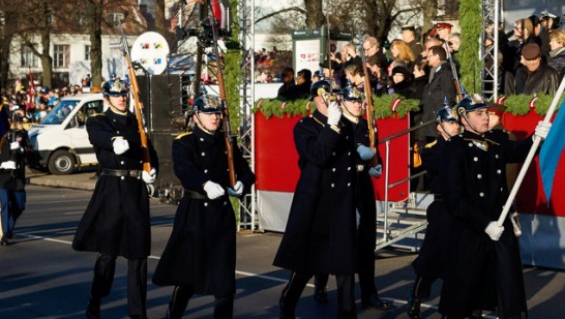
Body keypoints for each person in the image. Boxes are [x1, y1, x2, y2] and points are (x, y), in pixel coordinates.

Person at [438, 94, 550, 319]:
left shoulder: (496, 140)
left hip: (500, 221)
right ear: (464, 118)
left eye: (486, 113)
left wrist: (536, 138)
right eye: (479, 114)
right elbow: (454, 199)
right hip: (472, 227)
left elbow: (518, 151)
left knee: (508, 285)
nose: (486, 118)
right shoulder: (456, 149)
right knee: (465, 289)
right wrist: (484, 224)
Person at [152, 95, 255, 319]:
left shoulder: (227, 142)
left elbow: (247, 172)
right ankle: (174, 313)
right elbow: (183, 170)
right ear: (197, 116)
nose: (215, 117)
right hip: (194, 213)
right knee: (188, 274)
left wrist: (241, 184)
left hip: (220, 214)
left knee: (224, 281)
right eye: (209, 113)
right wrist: (204, 183)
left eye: (217, 113)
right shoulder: (184, 142)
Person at [72, 77, 159, 319]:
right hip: (111, 190)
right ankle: (96, 298)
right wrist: (113, 141)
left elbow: (149, 152)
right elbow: (96, 136)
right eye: (116, 95)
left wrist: (152, 171)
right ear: (107, 98)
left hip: (134, 190)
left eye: (124, 95)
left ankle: (138, 313)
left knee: (138, 254)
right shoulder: (99, 121)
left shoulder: (137, 122)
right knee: (108, 253)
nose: (121, 98)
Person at [274, 80, 359, 319]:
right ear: (315, 100)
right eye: (325, 98)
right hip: (317, 200)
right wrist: (330, 127)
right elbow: (318, 156)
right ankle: (288, 300)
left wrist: (356, 201)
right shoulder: (305, 127)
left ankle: (346, 311)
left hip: (341, 200)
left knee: (345, 262)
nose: (331, 101)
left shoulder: (346, 126)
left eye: (334, 97)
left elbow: (348, 167)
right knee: (307, 262)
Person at [313, 85, 392, 311]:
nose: (358, 104)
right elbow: (333, 154)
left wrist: (377, 167)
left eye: (360, 101)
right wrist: (358, 153)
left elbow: (375, 149)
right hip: (342, 188)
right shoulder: (340, 122)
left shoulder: (368, 124)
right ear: (343, 102)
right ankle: (320, 283)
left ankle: (369, 293)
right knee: (335, 242)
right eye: (353, 101)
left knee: (366, 243)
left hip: (362, 187)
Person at [407, 103, 462, 319]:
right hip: (442, 207)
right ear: (440, 127)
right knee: (431, 258)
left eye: (457, 121)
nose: (456, 125)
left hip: (462, 208)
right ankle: (416, 296)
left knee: (459, 260)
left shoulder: (464, 146)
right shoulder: (432, 149)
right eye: (451, 122)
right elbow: (441, 166)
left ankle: (453, 306)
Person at [0, 110, 33, 246]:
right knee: (6, 204)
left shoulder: (24, 136)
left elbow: (31, 153)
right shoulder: (5, 137)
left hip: (18, 176)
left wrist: (22, 150)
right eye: (20, 123)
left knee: (20, 204)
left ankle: (9, 226)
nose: (22, 126)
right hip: (4, 175)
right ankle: (6, 233)